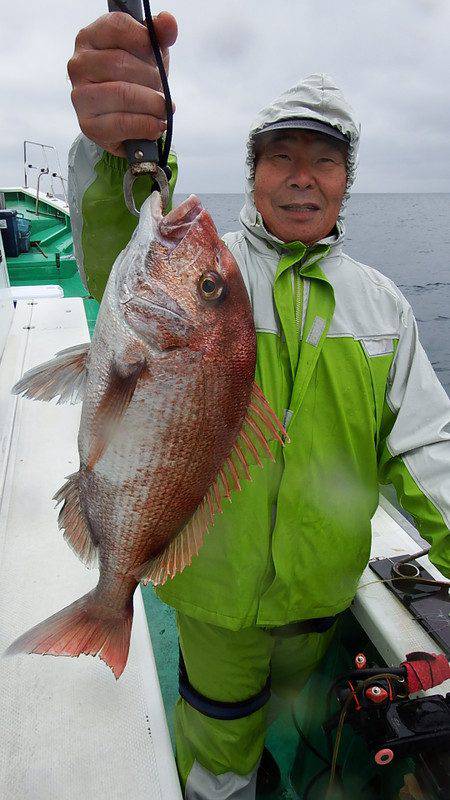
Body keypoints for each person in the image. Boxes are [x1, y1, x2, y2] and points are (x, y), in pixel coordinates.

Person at [67, 11, 450, 800]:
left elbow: (424, 447)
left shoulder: (384, 307)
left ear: (348, 182)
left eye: (324, 161)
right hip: (211, 595)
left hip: (320, 598)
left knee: (310, 723)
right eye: (282, 157)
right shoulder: (211, 270)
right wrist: (112, 156)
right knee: (218, 743)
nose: (302, 177)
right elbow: (116, 242)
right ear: (255, 172)